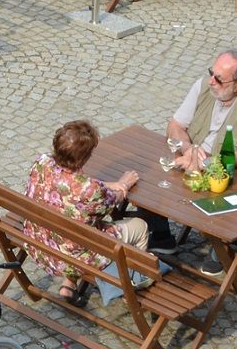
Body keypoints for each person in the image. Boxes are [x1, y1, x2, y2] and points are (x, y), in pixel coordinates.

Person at [153, 48, 237, 265]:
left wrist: (207, 162)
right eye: (212, 73)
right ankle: (161, 234)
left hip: (233, 174)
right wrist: (188, 149)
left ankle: (220, 248)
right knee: (150, 176)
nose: (211, 81)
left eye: (219, 79)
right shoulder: (203, 85)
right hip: (192, 159)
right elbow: (176, 125)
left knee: (214, 191)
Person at [21, 119, 147, 306]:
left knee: (74, 231)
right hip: (73, 258)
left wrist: (105, 184)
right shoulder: (90, 190)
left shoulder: (42, 162)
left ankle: (68, 284)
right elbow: (114, 199)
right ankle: (131, 288)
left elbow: (70, 183)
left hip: (39, 243)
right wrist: (124, 184)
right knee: (141, 226)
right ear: (84, 158)